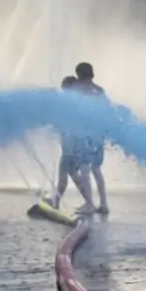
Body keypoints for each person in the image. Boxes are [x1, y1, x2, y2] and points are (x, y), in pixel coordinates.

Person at [53, 75, 95, 212]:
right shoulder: (79, 101)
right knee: (71, 175)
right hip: (75, 147)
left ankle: (57, 203)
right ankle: (87, 202)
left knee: (65, 176)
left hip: (71, 148)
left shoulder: (69, 102)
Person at [74, 62, 110, 214]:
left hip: (84, 134)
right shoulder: (100, 90)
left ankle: (89, 204)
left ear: (79, 75)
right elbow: (106, 111)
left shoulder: (78, 90)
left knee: (84, 168)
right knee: (96, 169)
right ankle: (103, 204)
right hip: (98, 135)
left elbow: (74, 111)